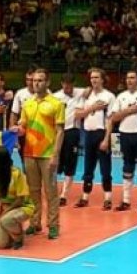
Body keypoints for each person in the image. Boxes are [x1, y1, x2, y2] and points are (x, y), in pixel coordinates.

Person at [17, 68, 65, 240]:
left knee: (51, 191)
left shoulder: (56, 104)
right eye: (34, 80)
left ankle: (53, 226)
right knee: (33, 191)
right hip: (29, 153)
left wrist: (55, 154)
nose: (36, 83)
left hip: (47, 154)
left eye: (40, 80)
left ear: (47, 82)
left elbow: (60, 131)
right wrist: (16, 130)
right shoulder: (27, 103)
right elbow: (23, 126)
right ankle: (34, 223)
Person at [106, 70, 137, 213]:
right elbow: (114, 118)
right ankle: (126, 200)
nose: (129, 80)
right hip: (125, 134)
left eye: (132, 78)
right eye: (127, 78)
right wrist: (131, 110)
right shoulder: (121, 97)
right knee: (127, 167)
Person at [74, 68, 115, 210]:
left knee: (105, 168)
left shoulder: (109, 96)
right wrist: (92, 108)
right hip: (88, 134)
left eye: (97, 77)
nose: (94, 80)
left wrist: (106, 139)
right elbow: (78, 115)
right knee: (87, 168)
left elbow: (110, 119)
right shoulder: (86, 96)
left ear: (103, 79)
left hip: (101, 133)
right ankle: (85, 197)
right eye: (92, 77)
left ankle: (108, 198)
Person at [0, 145, 34, 249]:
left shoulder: (16, 174)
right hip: (6, 209)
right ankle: (10, 232)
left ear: (0, 161)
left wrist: (3, 214)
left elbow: (20, 200)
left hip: (22, 207)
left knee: (5, 220)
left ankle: (19, 238)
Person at [53, 73, 86, 205]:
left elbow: (89, 89)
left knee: (70, 163)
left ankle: (64, 195)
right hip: (57, 131)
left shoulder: (80, 93)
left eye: (70, 86)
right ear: (62, 84)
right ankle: (53, 192)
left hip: (73, 132)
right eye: (65, 86)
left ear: (74, 84)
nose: (68, 88)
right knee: (54, 162)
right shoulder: (55, 97)